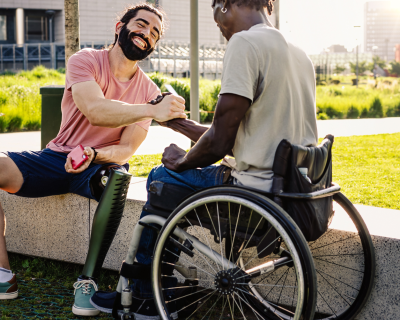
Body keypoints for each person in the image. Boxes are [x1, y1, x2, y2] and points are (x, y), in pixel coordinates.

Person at [90, 0, 318, 318]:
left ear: (224, 5)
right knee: (174, 180)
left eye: (215, 17)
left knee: (160, 179)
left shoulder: (245, 42)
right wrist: (178, 124)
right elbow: (246, 136)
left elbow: (220, 141)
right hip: (292, 189)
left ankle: (144, 297)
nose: (220, 27)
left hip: (252, 191)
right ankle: (166, 278)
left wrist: (181, 162)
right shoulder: (298, 53)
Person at [0, 3, 186, 317]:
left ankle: (86, 282)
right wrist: (151, 109)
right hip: (57, 158)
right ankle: (4, 274)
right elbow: (94, 109)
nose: (146, 34)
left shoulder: (148, 89)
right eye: (141, 25)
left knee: (119, 176)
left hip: (99, 167)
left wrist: (95, 154)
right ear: (120, 26)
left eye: (155, 33)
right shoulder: (85, 60)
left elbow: (127, 149)